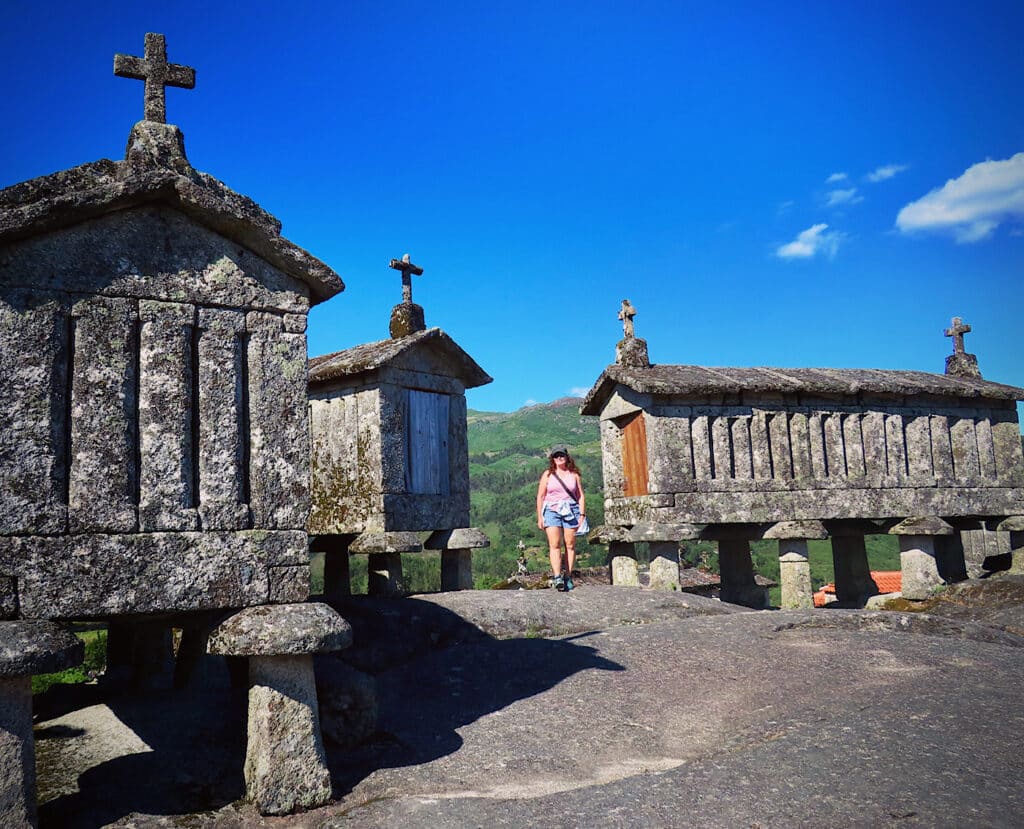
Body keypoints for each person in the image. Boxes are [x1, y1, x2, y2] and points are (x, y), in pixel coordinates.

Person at [536, 444, 586, 591]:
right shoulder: (547, 475)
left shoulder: (574, 475)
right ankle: (557, 576)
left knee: (570, 544)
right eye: (556, 456)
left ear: (566, 457)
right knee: (555, 544)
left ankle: (568, 576)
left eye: (561, 455)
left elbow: (580, 496)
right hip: (552, 510)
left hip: (571, 510)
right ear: (552, 459)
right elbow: (540, 496)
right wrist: (540, 516)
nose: (559, 458)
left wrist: (582, 514)